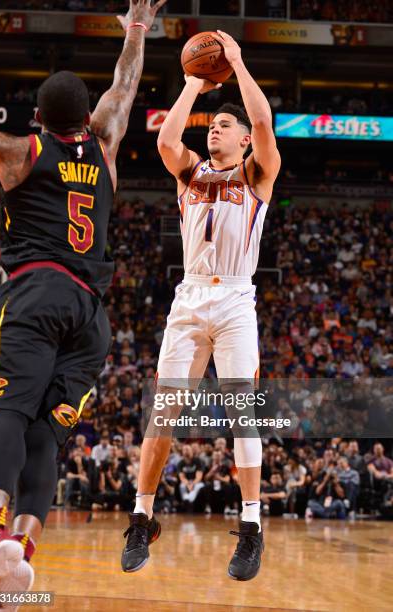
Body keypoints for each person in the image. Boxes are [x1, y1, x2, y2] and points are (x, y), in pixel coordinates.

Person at [0, 0, 166, 606]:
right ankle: (17, 561)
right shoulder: (107, 143)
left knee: (4, 410)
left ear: (37, 117)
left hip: (36, 292)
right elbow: (126, 83)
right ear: (87, 116)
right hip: (92, 315)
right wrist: (136, 30)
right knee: (46, 437)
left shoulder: (20, 152)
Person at [121, 30, 281, 581]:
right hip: (189, 296)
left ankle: (253, 526)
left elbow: (263, 122)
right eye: (212, 124)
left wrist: (235, 63)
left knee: (241, 413)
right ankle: (142, 517)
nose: (215, 126)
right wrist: (190, 87)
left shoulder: (257, 174)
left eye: (224, 124)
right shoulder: (191, 171)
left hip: (236, 297)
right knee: (163, 413)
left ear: (242, 141)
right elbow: (167, 142)